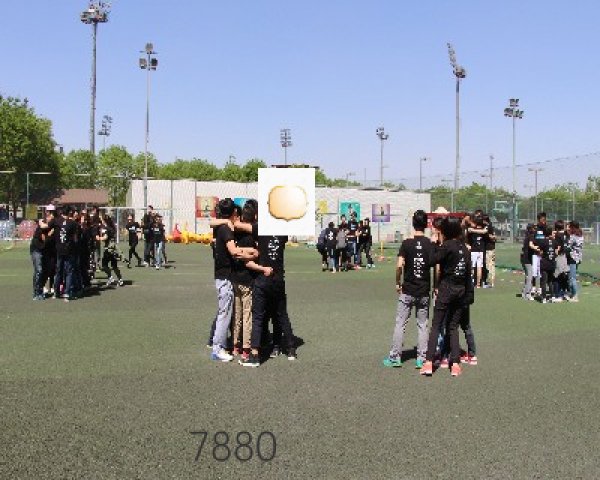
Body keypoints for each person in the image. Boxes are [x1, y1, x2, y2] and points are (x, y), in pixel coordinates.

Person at [420, 217, 474, 377]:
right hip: (460, 291)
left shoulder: (447, 246)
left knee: (436, 325)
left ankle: (429, 362)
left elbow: (431, 260)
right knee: (453, 327)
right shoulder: (465, 249)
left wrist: (433, 243)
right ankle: (455, 364)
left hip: (446, 289)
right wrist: (468, 295)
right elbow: (468, 275)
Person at [240, 227, 297, 367]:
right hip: (278, 279)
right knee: (282, 315)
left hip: (263, 279)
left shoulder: (260, 229)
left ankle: (254, 354)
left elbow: (241, 225)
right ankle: (291, 349)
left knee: (258, 317)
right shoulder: (283, 233)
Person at [383, 210, 432, 369]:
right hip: (424, 290)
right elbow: (437, 267)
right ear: (426, 224)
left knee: (400, 323)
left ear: (413, 223)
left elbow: (399, 265)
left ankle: (395, 357)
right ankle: (422, 358)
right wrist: (436, 286)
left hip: (408, 290)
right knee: (422, 325)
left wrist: (398, 282)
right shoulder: (429, 244)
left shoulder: (406, 243)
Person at [210, 198, 258, 362]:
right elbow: (234, 252)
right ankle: (218, 348)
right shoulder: (226, 229)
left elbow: (212, 223)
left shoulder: (221, 226)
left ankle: (221, 345)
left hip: (223, 276)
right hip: (225, 276)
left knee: (229, 313)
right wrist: (253, 253)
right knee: (225, 314)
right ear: (234, 212)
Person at [53, 206, 78, 301]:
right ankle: (67, 293)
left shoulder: (56, 221)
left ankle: (56, 292)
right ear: (70, 212)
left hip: (59, 250)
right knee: (69, 272)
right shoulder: (73, 223)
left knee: (58, 271)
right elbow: (75, 238)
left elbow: (49, 228)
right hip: (69, 250)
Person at [98, 215, 124, 287]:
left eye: (102, 220)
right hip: (113, 249)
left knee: (104, 265)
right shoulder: (112, 228)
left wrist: (98, 238)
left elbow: (105, 237)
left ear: (105, 221)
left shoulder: (107, 228)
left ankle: (110, 277)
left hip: (108, 249)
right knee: (114, 266)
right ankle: (120, 279)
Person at [467, 214, 486, 288]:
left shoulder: (472, 230)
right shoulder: (483, 230)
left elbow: (468, 237)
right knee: (479, 267)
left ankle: (472, 282)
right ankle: (478, 284)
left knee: (472, 267)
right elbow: (484, 232)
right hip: (481, 250)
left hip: (474, 250)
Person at [565, 221, 583, 302]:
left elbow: (568, 247)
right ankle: (572, 294)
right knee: (572, 276)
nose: (569, 228)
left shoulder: (573, 236)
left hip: (572, 258)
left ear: (573, 227)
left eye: (570, 227)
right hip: (578, 258)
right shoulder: (580, 235)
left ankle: (575, 296)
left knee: (572, 278)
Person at [30, 220, 46, 300]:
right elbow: (43, 238)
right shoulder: (40, 229)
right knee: (39, 271)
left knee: (40, 271)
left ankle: (39, 291)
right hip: (36, 251)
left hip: (41, 251)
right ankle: (36, 293)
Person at [521, 223, 536, 300]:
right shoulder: (531, 236)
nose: (535, 229)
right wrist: (537, 248)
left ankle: (524, 292)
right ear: (531, 229)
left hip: (524, 258)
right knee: (530, 276)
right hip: (527, 259)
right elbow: (531, 245)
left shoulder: (527, 236)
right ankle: (527, 294)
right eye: (534, 228)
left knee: (528, 276)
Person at [482, 214, 496, 288]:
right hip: (491, 248)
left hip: (489, 249)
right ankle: (491, 281)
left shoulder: (488, 226)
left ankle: (491, 282)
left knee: (489, 265)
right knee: (491, 265)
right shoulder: (491, 226)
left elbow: (486, 233)